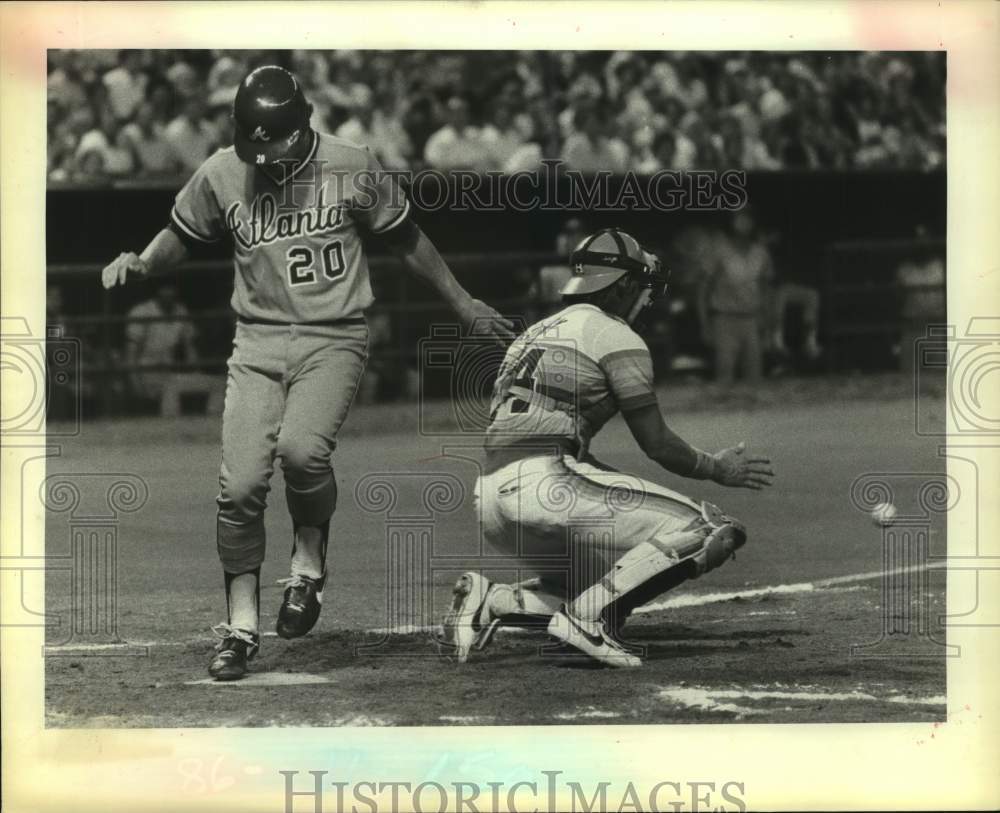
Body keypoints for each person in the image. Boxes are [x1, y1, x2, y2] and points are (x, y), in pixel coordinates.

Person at [101, 65, 513, 681]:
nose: (262, 155)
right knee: (239, 487)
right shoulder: (221, 172)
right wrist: (142, 262)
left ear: (302, 126)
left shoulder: (352, 163)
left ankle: (309, 565)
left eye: (273, 142)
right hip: (257, 342)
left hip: (333, 336)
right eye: (253, 144)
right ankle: (241, 629)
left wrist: (463, 303)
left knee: (302, 453)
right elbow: (181, 235)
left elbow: (407, 240)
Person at [441, 228, 773, 668]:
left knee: (599, 583)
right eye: (638, 286)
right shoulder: (613, 334)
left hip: (490, 498)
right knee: (711, 529)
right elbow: (657, 444)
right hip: (545, 484)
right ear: (620, 287)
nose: (643, 297)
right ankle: (587, 622)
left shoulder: (532, 334)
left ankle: (492, 601)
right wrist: (718, 468)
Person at [698, 210, 774, 386]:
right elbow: (703, 290)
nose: (743, 223)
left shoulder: (760, 253)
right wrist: (705, 324)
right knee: (725, 374)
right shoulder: (718, 251)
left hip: (752, 319)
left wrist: (768, 319)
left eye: (747, 218)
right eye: (739, 218)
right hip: (724, 319)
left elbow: (767, 288)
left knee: (754, 375)